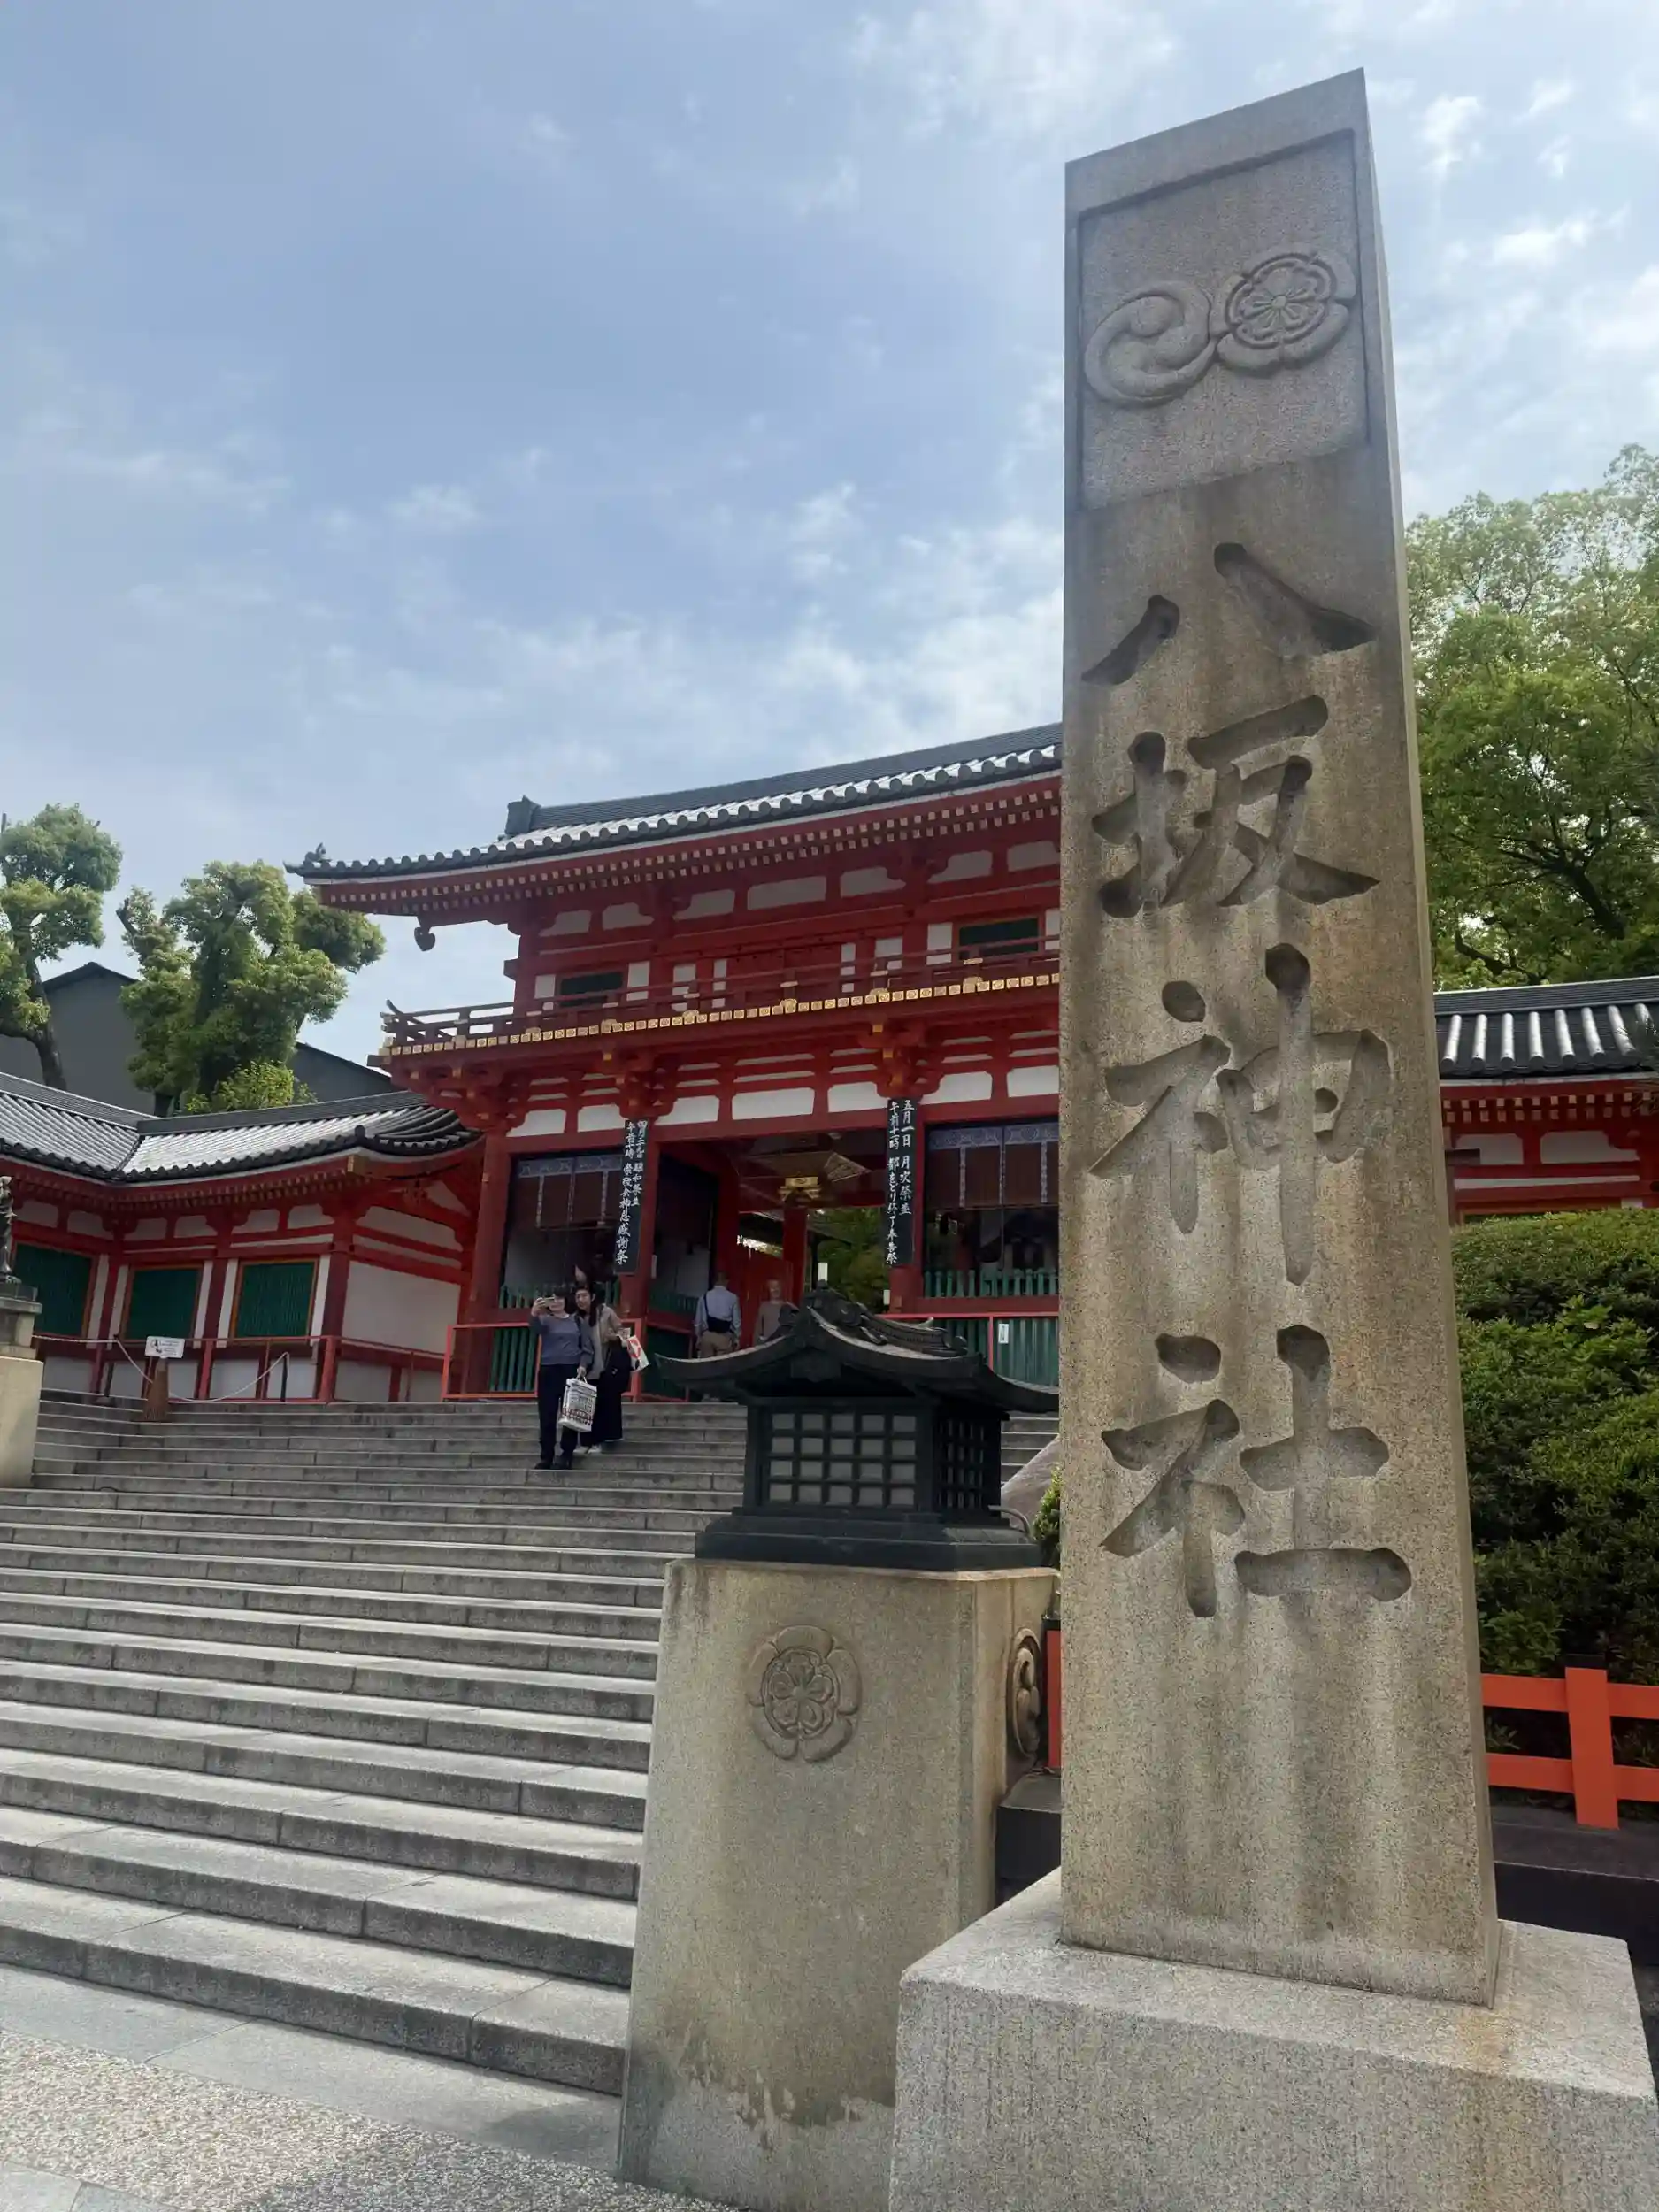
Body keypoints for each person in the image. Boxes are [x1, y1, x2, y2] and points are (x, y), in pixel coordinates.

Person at [529, 1290, 593, 1470]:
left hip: (571, 1370)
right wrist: (534, 1312)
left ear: (566, 1301)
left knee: (570, 1415)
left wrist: (583, 1365)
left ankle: (567, 1454)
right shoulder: (545, 1320)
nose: (556, 1302)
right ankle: (546, 1455)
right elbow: (535, 1329)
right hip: (549, 1370)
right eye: (551, 1299)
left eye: (559, 1298)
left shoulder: (577, 1321)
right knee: (547, 1415)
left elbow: (587, 1348)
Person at [575, 1284, 629, 1453]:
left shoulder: (606, 1312)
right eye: (578, 1297)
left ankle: (598, 1441)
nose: (580, 1300)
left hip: (605, 1364)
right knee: (585, 1406)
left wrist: (614, 1337)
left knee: (602, 1406)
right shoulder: (576, 1318)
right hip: (585, 1366)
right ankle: (585, 1442)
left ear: (592, 1297)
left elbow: (624, 1333)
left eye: (584, 1296)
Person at [694, 1271, 741, 1357]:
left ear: (714, 1281)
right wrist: (737, 1338)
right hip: (724, 1337)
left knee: (706, 1363)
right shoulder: (733, 1298)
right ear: (726, 1281)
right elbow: (736, 1322)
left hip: (707, 1336)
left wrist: (698, 1337)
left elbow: (698, 1321)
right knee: (721, 1364)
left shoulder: (704, 1297)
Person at [755, 1276, 792, 1343]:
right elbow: (758, 1331)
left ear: (781, 1288)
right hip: (768, 1344)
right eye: (772, 1287)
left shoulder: (789, 1306)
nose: (775, 1289)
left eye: (777, 1287)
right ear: (768, 1290)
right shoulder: (764, 1307)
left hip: (783, 1344)